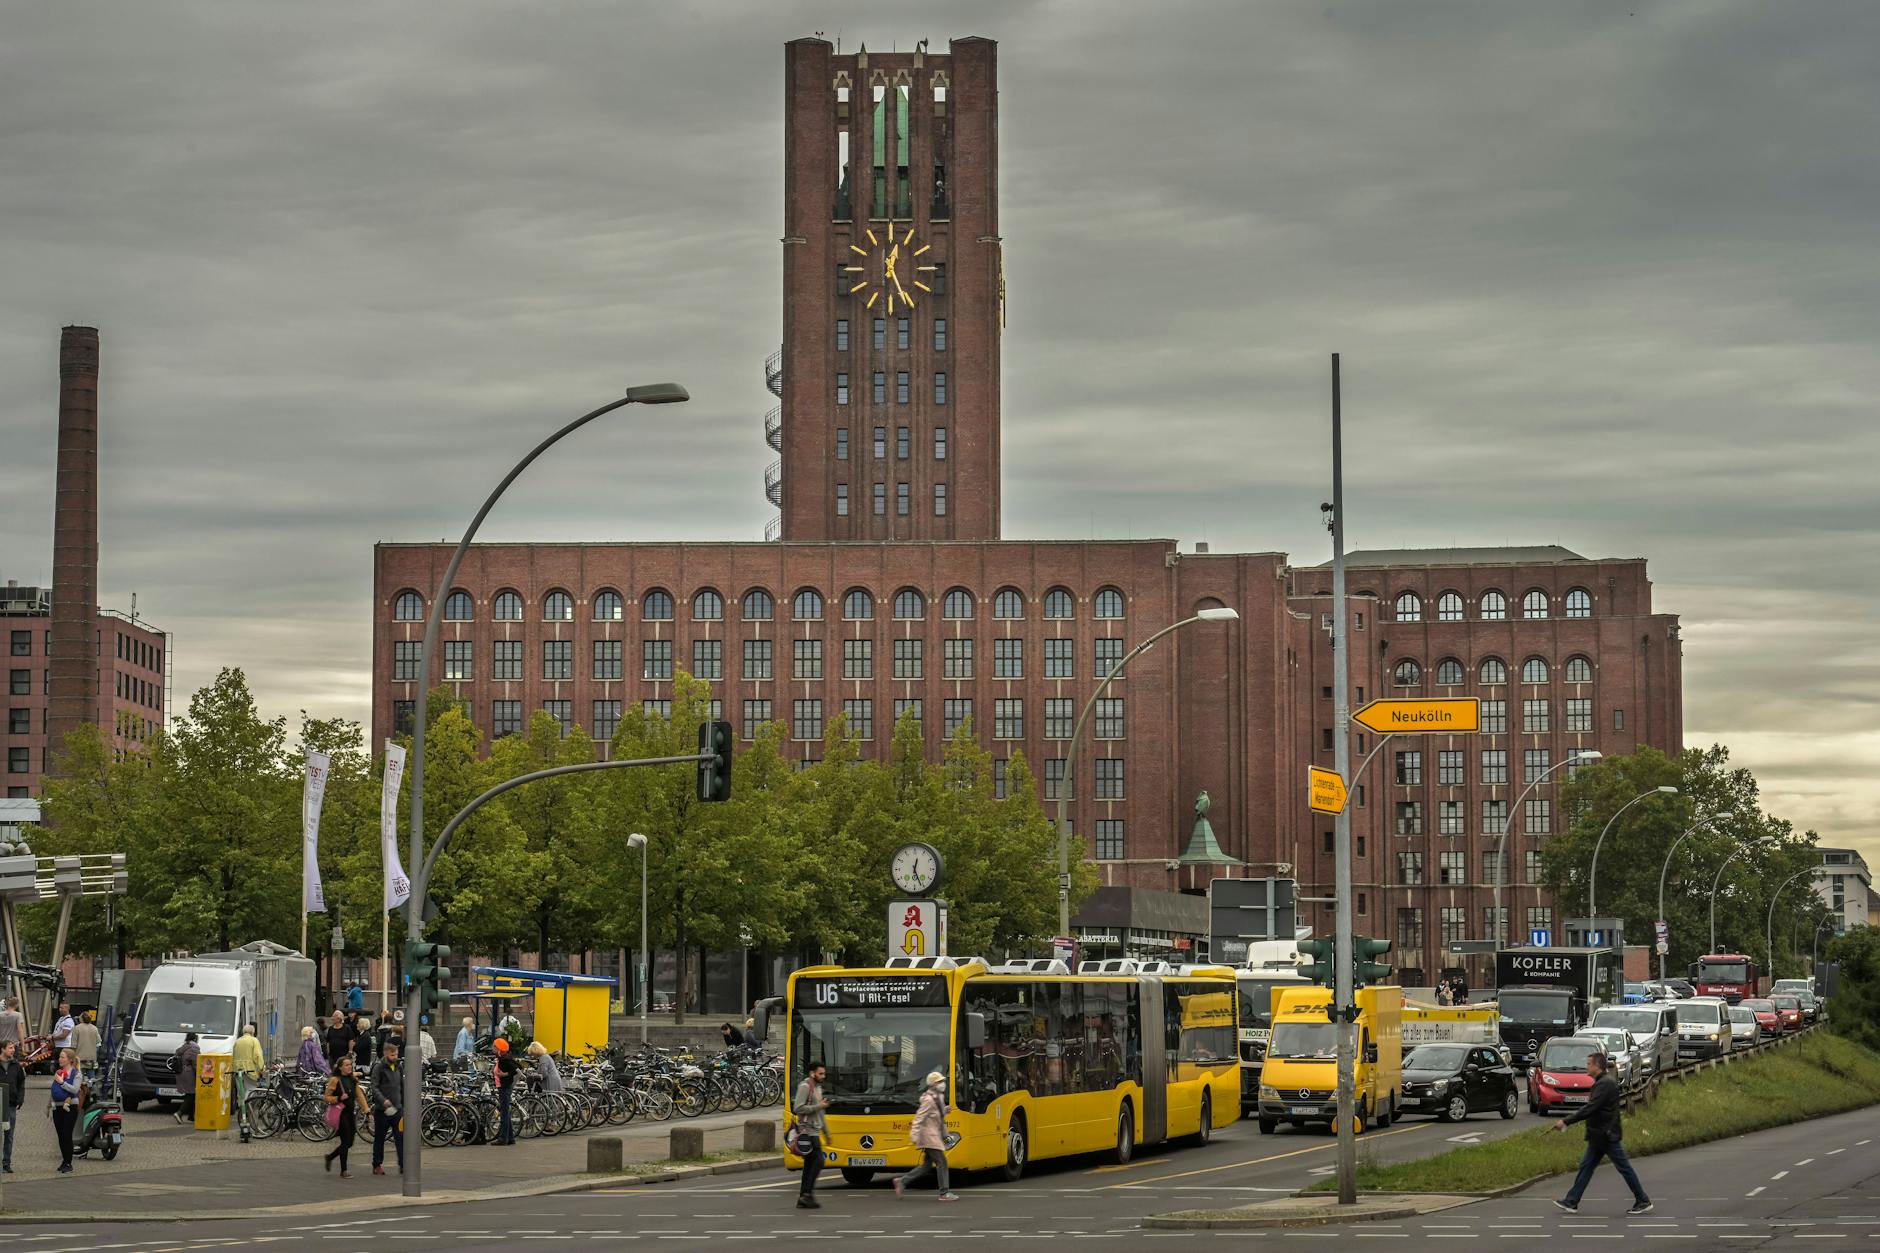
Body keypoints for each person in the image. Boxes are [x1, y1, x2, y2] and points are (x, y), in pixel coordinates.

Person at [1553, 1051, 1652, 1215]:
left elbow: (1592, 1107)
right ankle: (1571, 1201)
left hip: (1606, 1135)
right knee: (1586, 1167)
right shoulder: (1602, 1082)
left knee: (1624, 1168)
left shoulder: (1605, 1084)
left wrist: (1566, 1121)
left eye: (1589, 1064)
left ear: (1597, 1066)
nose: (1587, 1066)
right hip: (1599, 1135)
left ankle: (1642, 1199)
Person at [892, 1071, 958, 1201]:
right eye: (939, 1082)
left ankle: (902, 1181)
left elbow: (934, 1114)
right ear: (933, 1084)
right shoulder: (928, 1099)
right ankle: (944, 1193)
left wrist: (945, 1110)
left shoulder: (937, 1097)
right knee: (942, 1162)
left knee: (926, 1165)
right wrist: (914, 1135)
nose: (942, 1084)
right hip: (929, 1137)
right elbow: (919, 1118)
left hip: (933, 1135)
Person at [323, 1053, 370, 1178]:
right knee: (345, 1142)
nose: (349, 1067)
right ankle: (344, 1171)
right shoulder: (335, 1080)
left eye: (350, 1065)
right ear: (340, 1067)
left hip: (350, 1113)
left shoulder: (353, 1079)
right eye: (347, 1065)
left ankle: (330, 1157)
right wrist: (338, 1098)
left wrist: (367, 1110)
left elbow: (360, 1096)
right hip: (340, 1114)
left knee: (350, 1143)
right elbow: (326, 1097)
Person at [791, 1061, 830, 1209]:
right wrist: (818, 1106)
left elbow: (821, 1113)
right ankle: (806, 1194)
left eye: (824, 1073)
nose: (823, 1076)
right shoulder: (805, 1086)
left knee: (809, 1164)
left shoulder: (817, 1089)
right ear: (812, 1073)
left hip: (815, 1131)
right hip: (807, 1131)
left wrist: (826, 1133)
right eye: (820, 1073)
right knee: (818, 1161)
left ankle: (805, 1195)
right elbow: (798, 1108)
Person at [368, 1040, 404, 1175]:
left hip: (398, 1109)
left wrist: (403, 1104)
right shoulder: (379, 1067)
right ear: (386, 1053)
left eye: (396, 1055)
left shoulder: (398, 1067)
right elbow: (374, 1086)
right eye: (393, 1055)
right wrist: (383, 1100)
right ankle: (377, 1164)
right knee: (380, 1138)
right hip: (382, 1110)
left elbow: (402, 1085)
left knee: (401, 1137)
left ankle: (403, 1164)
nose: (395, 1057)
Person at [50, 1047, 84, 1173]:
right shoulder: (59, 1072)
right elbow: (53, 1090)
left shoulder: (77, 1074)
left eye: (62, 1057)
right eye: (60, 1057)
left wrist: (62, 1082)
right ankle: (64, 1160)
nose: (60, 1059)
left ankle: (68, 1163)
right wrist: (49, 1105)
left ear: (70, 1060)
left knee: (66, 1134)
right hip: (57, 1106)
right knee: (60, 1135)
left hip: (71, 1107)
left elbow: (75, 1090)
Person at [1, 1037, 25, 1173]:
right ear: (2, 1049)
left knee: (9, 1135)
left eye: (13, 1048)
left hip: (10, 1104)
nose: (13, 1050)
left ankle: (6, 1163)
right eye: (10, 1048)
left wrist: (20, 1099)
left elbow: (21, 1083)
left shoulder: (16, 1065)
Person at [491, 1037, 519, 1145]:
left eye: (494, 1046)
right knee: (505, 1111)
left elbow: (516, 1069)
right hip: (503, 1086)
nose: (492, 1048)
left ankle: (503, 1138)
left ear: (498, 1048)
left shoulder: (504, 1058)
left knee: (504, 1112)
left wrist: (505, 1074)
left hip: (504, 1087)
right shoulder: (501, 1057)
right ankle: (510, 1137)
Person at [173, 1032, 200, 1125]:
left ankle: (191, 1116)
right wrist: (200, 1075)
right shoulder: (194, 1048)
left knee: (190, 1093)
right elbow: (196, 1063)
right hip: (189, 1073)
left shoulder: (184, 1047)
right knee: (192, 1094)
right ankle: (179, 1113)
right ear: (195, 1039)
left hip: (181, 1073)